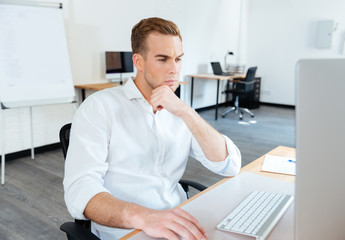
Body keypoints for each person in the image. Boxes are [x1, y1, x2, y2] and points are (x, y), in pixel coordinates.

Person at [63, 17, 242, 240]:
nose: (174, 70)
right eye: (162, 59)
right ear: (138, 61)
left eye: (178, 59)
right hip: (128, 229)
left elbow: (229, 165)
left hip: (178, 219)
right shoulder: (99, 107)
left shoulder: (178, 110)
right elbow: (79, 190)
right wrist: (145, 218)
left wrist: (186, 112)